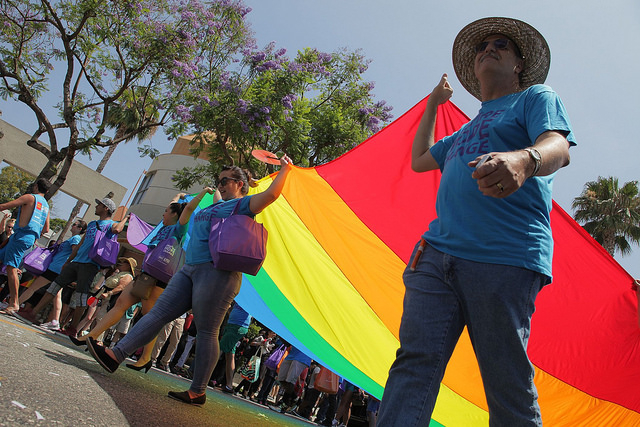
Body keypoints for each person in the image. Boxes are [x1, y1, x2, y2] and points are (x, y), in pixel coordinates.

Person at [378, 17, 576, 426]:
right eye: (482, 45)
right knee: (413, 364)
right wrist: (434, 104)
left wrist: (525, 159)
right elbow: (419, 160)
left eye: (501, 44)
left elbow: (558, 145)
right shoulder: (464, 131)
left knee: (505, 382)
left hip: (504, 258)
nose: (489, 48)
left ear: (520, 64)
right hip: (437, 256)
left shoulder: (534, 98)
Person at [87, 157, 294, 406]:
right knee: (157, 314)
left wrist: (284, 169)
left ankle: (197, 391)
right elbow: (215, 197)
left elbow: (271, 195)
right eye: (218, 181)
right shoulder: (217, 205)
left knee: (207, 331)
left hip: (218, 274)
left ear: (239, 184)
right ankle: (115, 355)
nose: (220, 184)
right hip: (189, 270)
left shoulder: (242, 205)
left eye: (225, 180)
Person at [70, 195, 186, 367]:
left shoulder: (179, 229)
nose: (163, 213)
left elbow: (186, 211)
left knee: (151, 318)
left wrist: (197, 197)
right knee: (121, 303)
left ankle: (146, 357)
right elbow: (172, 205)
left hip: (159, 281)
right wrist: (178, 197)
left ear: (176, 215)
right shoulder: (163, 227)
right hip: (145, 275)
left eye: (166, 211)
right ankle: (91, 335)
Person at [24, 197, 125, 336]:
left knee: (81, 295)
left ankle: (73, 328)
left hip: (90, 265)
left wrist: (126, 218)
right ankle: (32, 313)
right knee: (55, 285)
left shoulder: (111, 224)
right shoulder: (92, 224)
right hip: (76, 261)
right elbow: (80, 244)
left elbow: (118, 229)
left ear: (106, 208)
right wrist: (68, 261)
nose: (96, 207)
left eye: (99, 205)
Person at [16, 220, 87, 321]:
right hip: (58, 268)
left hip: (55, 268)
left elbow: (75, 252)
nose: (72, 225)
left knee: (33, 287)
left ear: (80, 229)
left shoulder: (75, 239)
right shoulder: (74, 238)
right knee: (56, 295)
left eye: (75, 224)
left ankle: (16, 305)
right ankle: (55, 321)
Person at [0, 178, 50, 314]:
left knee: (11, 269)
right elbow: (46, 229)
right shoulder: (45, 205)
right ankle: (13, 302)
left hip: (21, 236)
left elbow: (5, 206)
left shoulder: (30, 197)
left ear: (36, 186)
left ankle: (14, 303)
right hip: (28, 238)